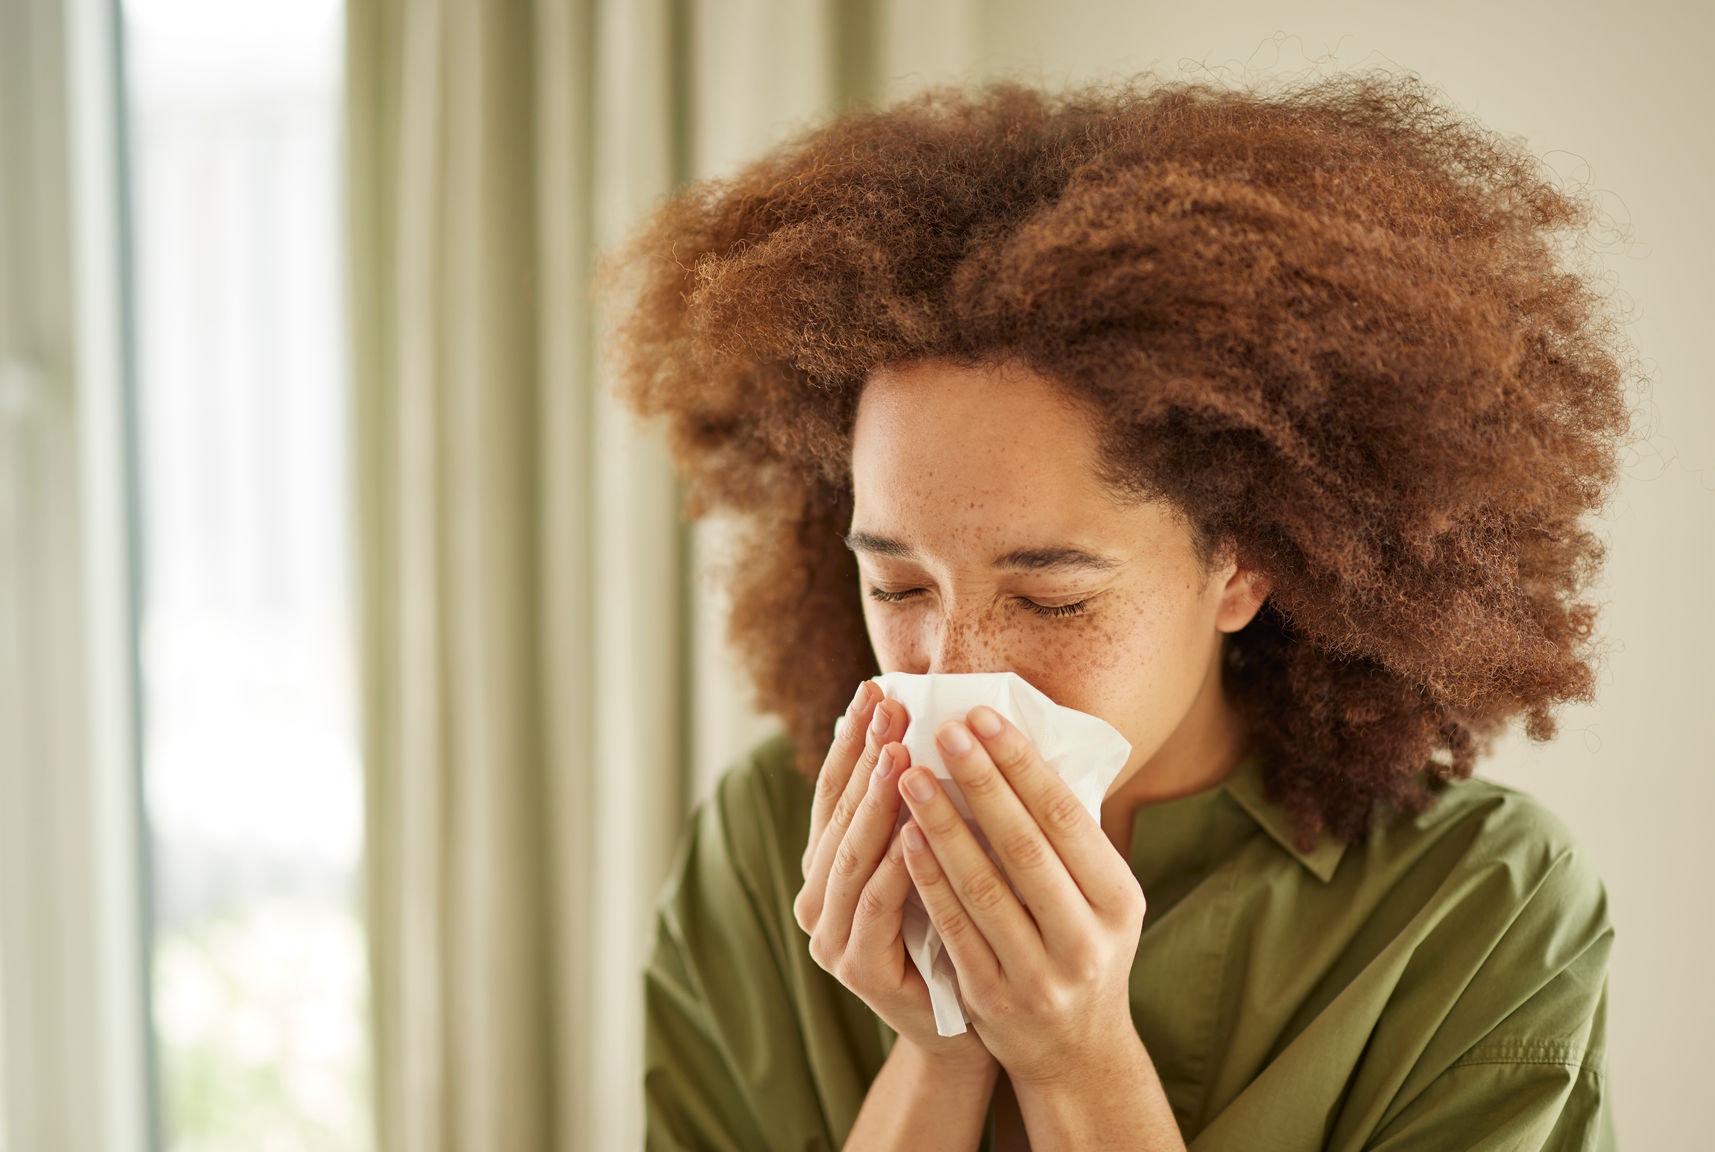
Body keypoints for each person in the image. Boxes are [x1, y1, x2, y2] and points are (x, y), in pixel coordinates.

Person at [596, 66, 1635, 1152]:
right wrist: (940, 1053)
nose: (948, 669)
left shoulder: (1481, 909)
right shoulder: (768, 843)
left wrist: (1075, 1059)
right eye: (896, 585)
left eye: (1050, 598)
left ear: (1242, 567)